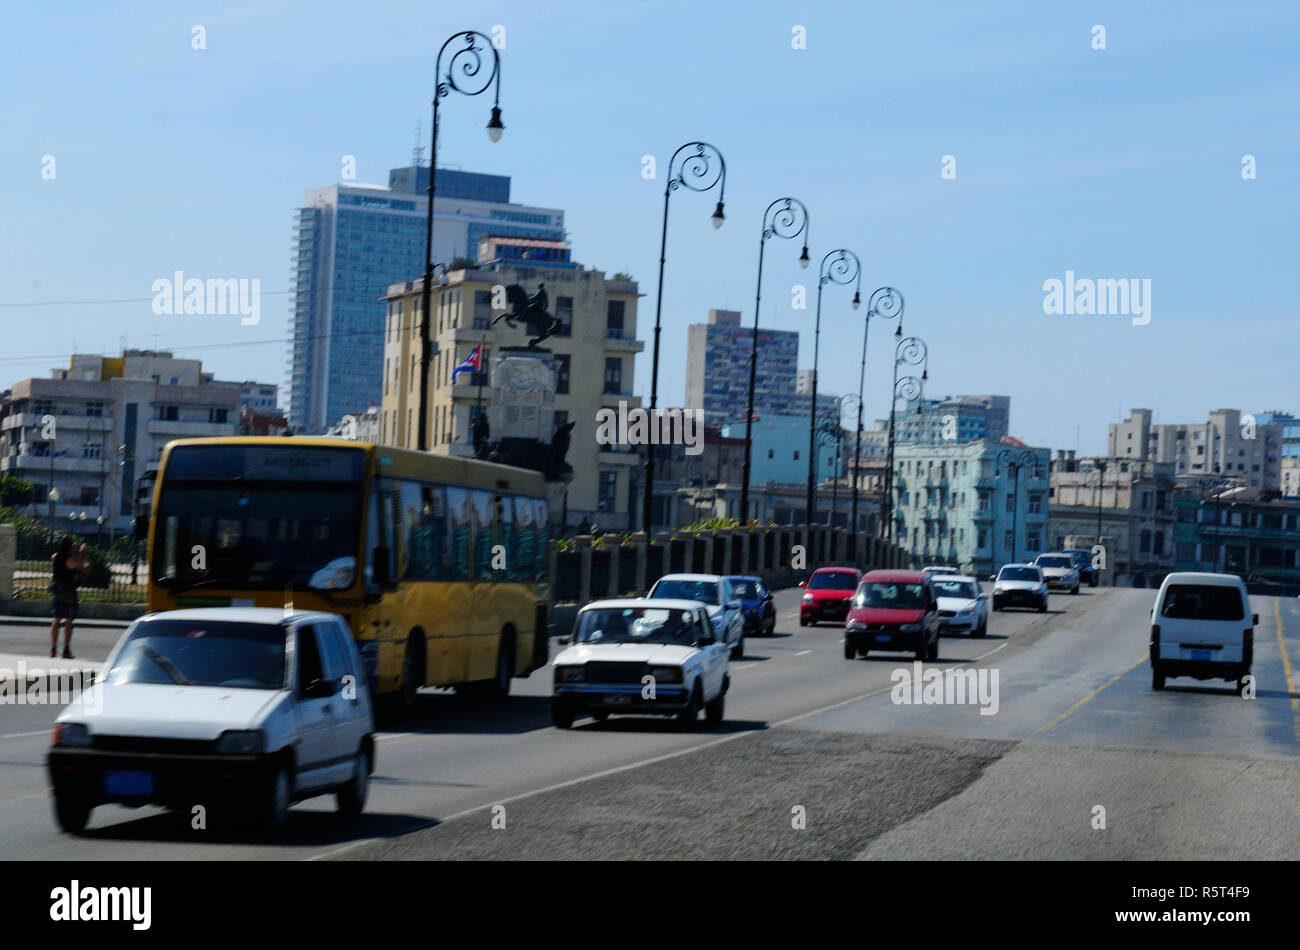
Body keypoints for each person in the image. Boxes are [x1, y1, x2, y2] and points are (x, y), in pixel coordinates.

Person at [49, 537, 88, 659]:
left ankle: (53, 649)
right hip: (69, 594)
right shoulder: (73, 560)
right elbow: (85, 568)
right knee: (69, 621)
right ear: (69, 547)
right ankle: (66, 650)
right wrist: (82, 553)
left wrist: (73, 551)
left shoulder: (56, 556)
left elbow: (53, 557)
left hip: (57, 593)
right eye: (72, 546)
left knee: (56, 619)